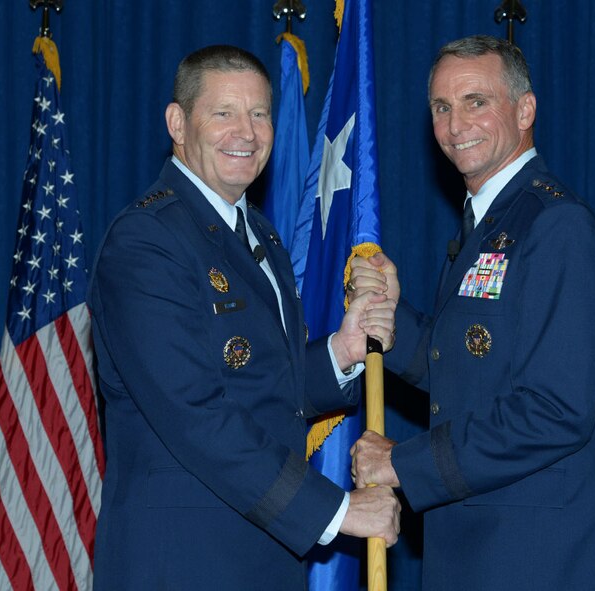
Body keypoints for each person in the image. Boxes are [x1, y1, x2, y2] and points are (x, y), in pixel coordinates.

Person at [88, 45, 400, 590]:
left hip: (264, 557)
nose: (247, 132)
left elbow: (260, 383)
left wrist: (341, 352)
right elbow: (195, 411)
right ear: (177, 123)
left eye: (259, 114)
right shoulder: (146, 240)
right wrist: (335, 512)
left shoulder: (259, 236)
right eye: (224, 113)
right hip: (183, 565)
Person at [349, 35, 595, 590]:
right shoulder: (488, 226)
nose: (457, 125)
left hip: (538, 557)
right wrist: (390, 316)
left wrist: (403, 464)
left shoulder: (556, 226)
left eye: (476, 101)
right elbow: (469, 372)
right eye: (441, 108)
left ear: (525, 110)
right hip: (474, 547)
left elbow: (554, 410)